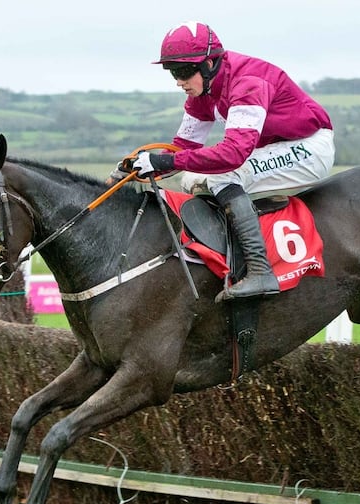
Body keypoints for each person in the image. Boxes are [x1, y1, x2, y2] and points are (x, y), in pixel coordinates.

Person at [123, 21, 335, 301]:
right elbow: (182, 150)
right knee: (191, 180)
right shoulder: (202, 92)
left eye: (185, 72)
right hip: (278, 146)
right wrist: (136, 168)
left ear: (211, 64)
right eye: (172, 71)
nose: (178, 81)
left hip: (308, 148)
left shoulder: (247, 83)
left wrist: (162, 163)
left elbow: (234, 154)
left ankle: (260, 271)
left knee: (223, 176)